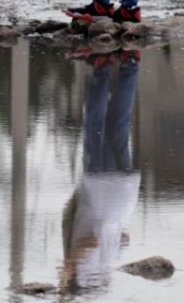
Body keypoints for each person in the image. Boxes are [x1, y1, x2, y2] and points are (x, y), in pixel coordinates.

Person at [60, 49, 140, 293]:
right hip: (101, 187)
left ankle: (131, 65)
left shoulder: (107, 266)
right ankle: (101, 68)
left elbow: (124, 240)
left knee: (119, 126)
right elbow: (91, 242)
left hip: (124, 195)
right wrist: (70, 264)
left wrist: (112, 229)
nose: (59, 281)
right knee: (95, 125)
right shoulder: (84, 275)